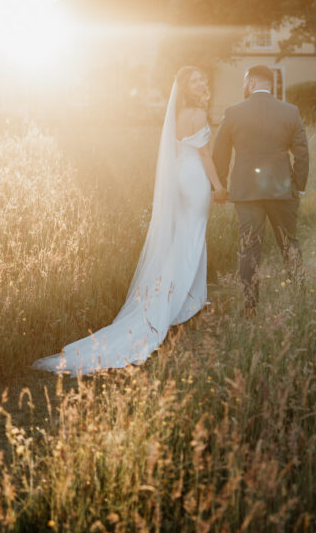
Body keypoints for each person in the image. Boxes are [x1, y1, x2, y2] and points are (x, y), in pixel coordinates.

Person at [33, 67, 227, 374]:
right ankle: (185, 302)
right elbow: (204, 155)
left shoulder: (175, 116)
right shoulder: (198, 113)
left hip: (179, 178)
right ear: (187, 88)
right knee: (192, 237)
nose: (202, 82)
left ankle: (181, 297)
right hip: (194, 179)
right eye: (196, 80)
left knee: (182, 238)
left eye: (203, 78)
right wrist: (218, 186)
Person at [212, 65, 309, 311]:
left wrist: (219, 186)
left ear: (252, 83)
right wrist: (299, 187)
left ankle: (250, 307)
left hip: (246, 192)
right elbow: (302, 153)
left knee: (249, 247)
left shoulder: (233, 112)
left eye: (245, 82)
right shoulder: (290, 111)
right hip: (282, 189)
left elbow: (220, 153)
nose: (244, 86)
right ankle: (301, 299)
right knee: (289, 243)